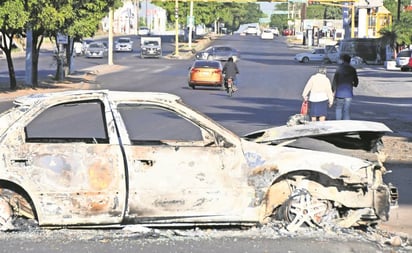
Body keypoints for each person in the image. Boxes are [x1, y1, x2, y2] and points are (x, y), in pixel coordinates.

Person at [332, 54, 359, 120]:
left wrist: (332, 90)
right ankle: (346, 124)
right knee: (346, 109)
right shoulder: (352, 69)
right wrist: (355, 84)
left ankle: (338, 122)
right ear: (349, 60)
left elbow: (335, 80)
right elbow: (356, 79)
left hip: (339, 91)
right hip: (348, 92)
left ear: (343, 60)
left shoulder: (339, 68)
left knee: (338, 107)